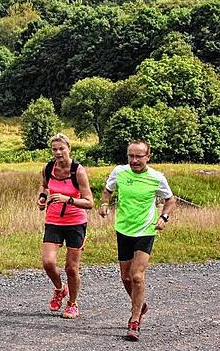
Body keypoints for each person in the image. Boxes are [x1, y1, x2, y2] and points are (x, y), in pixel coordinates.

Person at [99, 140, 175, 341]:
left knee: (137, 276)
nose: (134, 160)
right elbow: (108, 190)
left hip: (145, 231)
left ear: (148, 156)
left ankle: (134, 321)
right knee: (125, 277)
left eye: (138, 156)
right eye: (130, 156)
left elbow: (170, 200)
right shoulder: (119, 172)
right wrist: (105, 204)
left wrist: (163, 217)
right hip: (123, 229)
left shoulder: (157, 178)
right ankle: (140, 305)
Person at [36, 134, 95, 319]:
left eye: (61, 148)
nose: (58, 152)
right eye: (54, 149)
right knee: (48, 262)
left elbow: (89, 202)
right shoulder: (48, 168)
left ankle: (72, 304)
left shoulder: (78, 171)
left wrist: (68, 199)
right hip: (53, 220)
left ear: (69, 148)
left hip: (75, 222)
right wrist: (42, 198)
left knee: (71, 268)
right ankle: (60, 289)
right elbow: (44, 187)